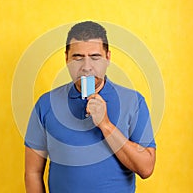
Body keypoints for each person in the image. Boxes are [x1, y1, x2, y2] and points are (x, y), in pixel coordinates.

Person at [24, 21, 156, 193]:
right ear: (66, 59)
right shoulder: (46, 104)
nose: (86, 67)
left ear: (108, 58)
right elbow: (33, 172)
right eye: (78, 57)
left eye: (95, 57)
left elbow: (146, 168)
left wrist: (105, 125)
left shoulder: (133, 102)